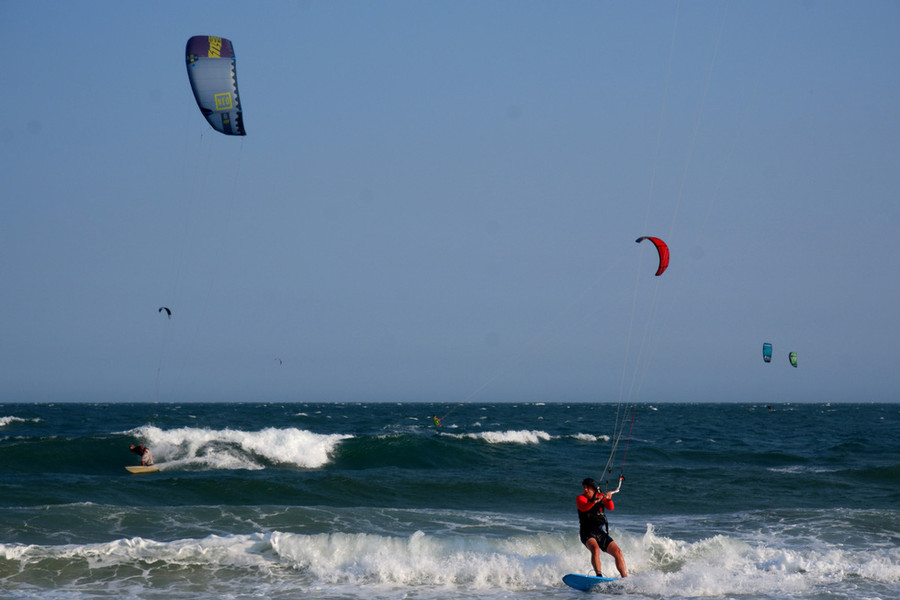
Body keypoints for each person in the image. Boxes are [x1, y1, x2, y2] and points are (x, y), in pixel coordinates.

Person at [577, 477, 627, 578]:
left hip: (599, 532)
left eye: (588, 488)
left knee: (618, 552)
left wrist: (608, 499)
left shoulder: (601, 497)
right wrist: (594, 501)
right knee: (595, 549)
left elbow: (611, 507)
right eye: (584, 487)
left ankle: (625, 578)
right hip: (586, 532)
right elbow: (584, 507)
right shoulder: (581, 498)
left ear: (593, 488)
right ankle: (599, 576)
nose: (585, 489)